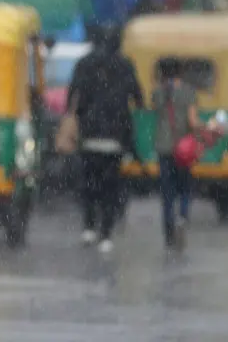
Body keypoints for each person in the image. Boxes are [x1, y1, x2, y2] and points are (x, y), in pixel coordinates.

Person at [67, 26, 143, 253]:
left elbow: (73, 95)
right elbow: (138, 98)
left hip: (89, 136)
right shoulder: (125, 65)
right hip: (115, 138)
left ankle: (89, 227)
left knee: (89, 185)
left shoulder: (84, 64)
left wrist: (76, 116)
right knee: (111, 188)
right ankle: (106, 234)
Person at [152, 58, 200, 250]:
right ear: (180, 70)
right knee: (185, 187)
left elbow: (156, 110)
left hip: (164, 147)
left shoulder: (157, 92)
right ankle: (182, 217)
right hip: (183, 148)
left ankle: (169, 229)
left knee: (167, 191)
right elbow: (193, 121)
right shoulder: (189, 92)